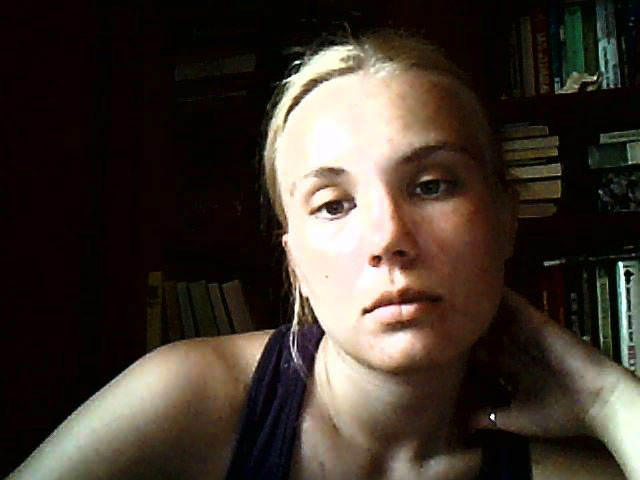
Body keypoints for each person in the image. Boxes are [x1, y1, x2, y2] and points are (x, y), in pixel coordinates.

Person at [9, 30, 640, 480]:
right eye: (334, 205)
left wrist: (607, 399)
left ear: (506, 219)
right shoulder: (187, 399)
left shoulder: (568, 467)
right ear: (296, 264)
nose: (388, 238)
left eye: (431, 186)